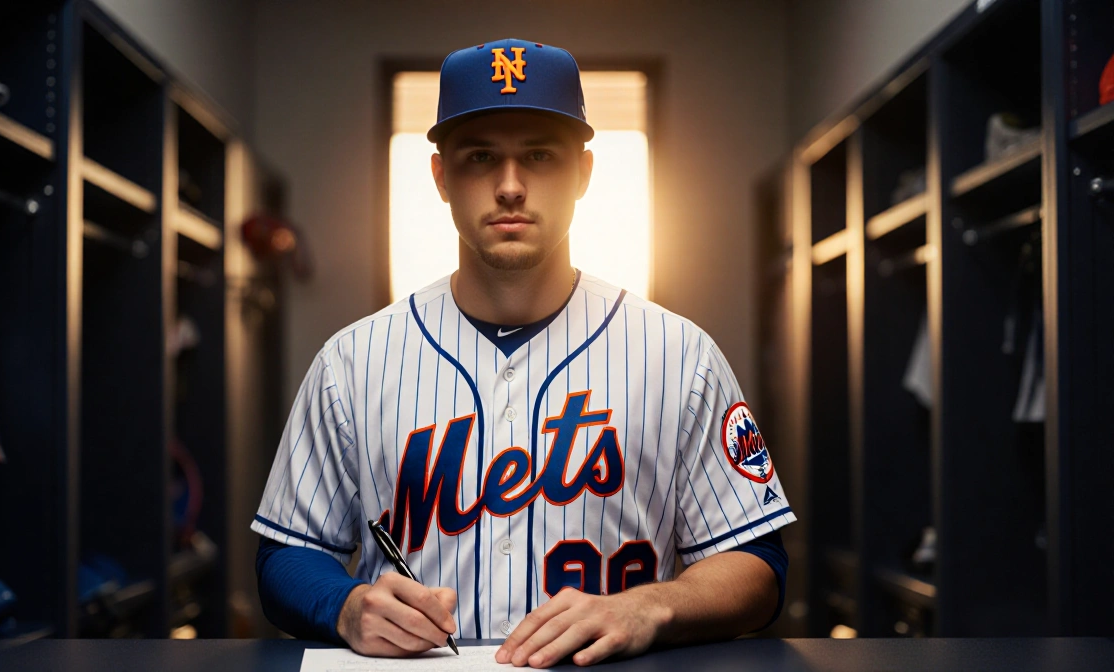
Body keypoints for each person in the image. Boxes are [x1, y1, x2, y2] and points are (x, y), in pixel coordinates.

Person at [253, 38, 794, 669]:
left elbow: (760, 564)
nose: (510, 186)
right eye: (481, 156)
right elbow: (284, 553)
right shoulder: (353, 361)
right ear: (440, 177)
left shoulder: (679, 354)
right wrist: (346, 605)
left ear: (584, 173)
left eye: (539, 154)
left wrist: (650, 606)